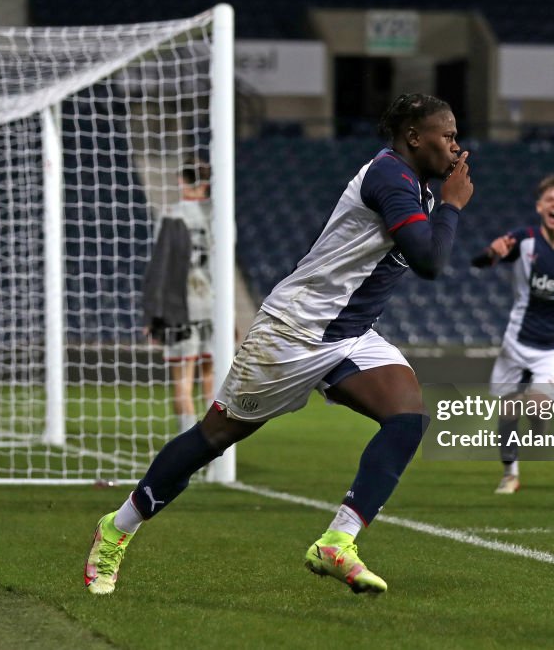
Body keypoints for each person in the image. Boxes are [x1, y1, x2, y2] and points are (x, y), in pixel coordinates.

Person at [85, 93, 474, 595]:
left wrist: (443, 204)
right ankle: (116, 528)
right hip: (293, 331)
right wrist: (454, 207)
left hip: (349, 334)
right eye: (447, 135)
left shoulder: (417, 186)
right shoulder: (390, 177)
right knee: (214, 437)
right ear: (414, 137)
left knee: (408, 417)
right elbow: (431, 262)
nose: (456, 146)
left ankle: (338, 541)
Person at [471, 174, 554, 494]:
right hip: (517, 340)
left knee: (535, 407)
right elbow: (479, 262)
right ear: (540, 206)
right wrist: (492, 252)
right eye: (550, 200)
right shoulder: (523, 240)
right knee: (506, 411)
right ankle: (510, 473)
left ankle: (539, 418)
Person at [142, 160, 214, 435]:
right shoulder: (216, 215)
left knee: (183, 379)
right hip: (212, 305)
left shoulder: (171, 215)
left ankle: (187, 444)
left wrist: (151, 312)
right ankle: (215, 440)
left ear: (182, 181)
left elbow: (160, 264)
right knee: (211, 375)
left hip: (180, 308)